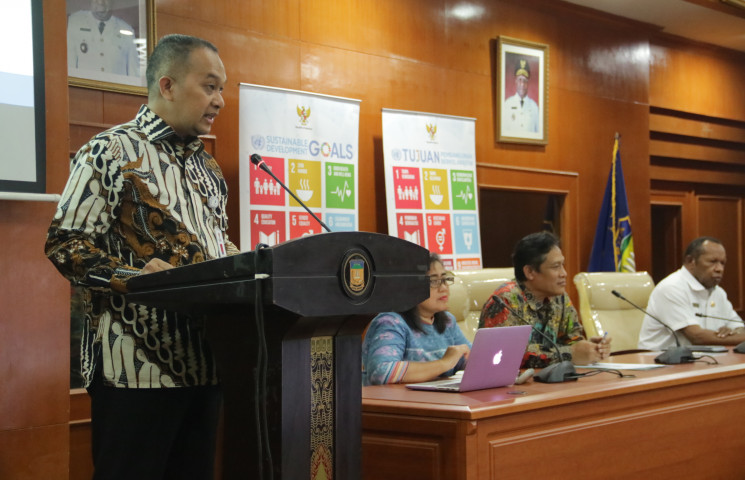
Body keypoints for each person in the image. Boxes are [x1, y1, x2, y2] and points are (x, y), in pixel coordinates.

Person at [46, 34, 237, 479]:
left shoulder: (208, 168)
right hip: (135, 372)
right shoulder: (108, 152)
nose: (220, 101)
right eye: (209, 86)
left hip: (206, 365)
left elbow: (217, 241)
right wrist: (135, 278)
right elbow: (64, 244)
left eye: (222, 89)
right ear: (167, 85)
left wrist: (240, 262)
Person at [479, 232, 611, 368]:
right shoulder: (505, 301)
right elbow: (504, 355)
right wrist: (569, 354)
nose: (564, 273)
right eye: (556, 267)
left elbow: (571, 339)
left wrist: (590, 348)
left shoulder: (560, 297)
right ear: (530, 272)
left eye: (563, 265)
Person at [362, 253, 471, 385]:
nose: (444, 288)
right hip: (397, 398)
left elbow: (468, 359)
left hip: (437, 396)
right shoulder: (391, 322)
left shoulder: (448, 321)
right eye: (434, 281)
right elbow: (381, 372)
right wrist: (444, 363)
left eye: (444, 279)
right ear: (410, 287)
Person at [638, 237, 745, 350]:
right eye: (713, 262)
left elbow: (739, 327)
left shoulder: (718, 292)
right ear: (690, 261)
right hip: (659, 358)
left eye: (722, 263)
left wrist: (732, 332)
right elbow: (696, 337)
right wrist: (735, 338)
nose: (719, 269)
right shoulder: (671, 287)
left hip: (704, 357)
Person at [67, 0, 141, 77]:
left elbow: (134, 74)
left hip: (114, 84)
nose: (101, 2)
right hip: (84, 84)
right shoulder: (75, 22)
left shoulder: (126, 30)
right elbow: (69, 66)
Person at [501, 57, 539, 134]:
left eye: (525, 81)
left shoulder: (534, 107)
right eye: (520, 80)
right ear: (516, 81)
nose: (522, 84)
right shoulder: (507, 104)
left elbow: (538, 133)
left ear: (528, 83)